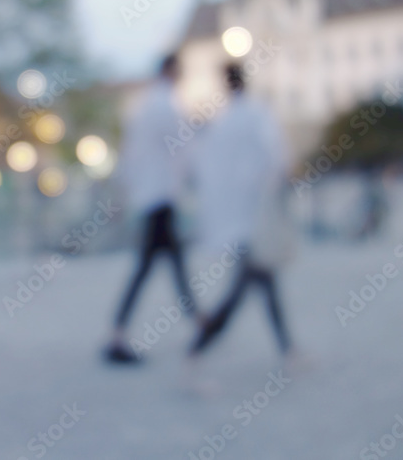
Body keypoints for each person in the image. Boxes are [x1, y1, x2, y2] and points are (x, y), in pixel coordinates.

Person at [187, 63, 298, 366]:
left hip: (241, 220)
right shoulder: (255, 115)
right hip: (255, 217)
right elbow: (276, 156)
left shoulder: (224, 123)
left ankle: (288, 349)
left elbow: (208, 170)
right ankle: (197, 348)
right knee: (244, 289)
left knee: (263, 283)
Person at [103, 54, 200, 364]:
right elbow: (181, 149)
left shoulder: (145, 106)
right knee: (155, 265)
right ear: (171, 71)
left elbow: (132, 154)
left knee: (166, 263)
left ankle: (197, 319)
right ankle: (118, 334)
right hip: (161, 196)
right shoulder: (165, 106)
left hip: (151, 196)